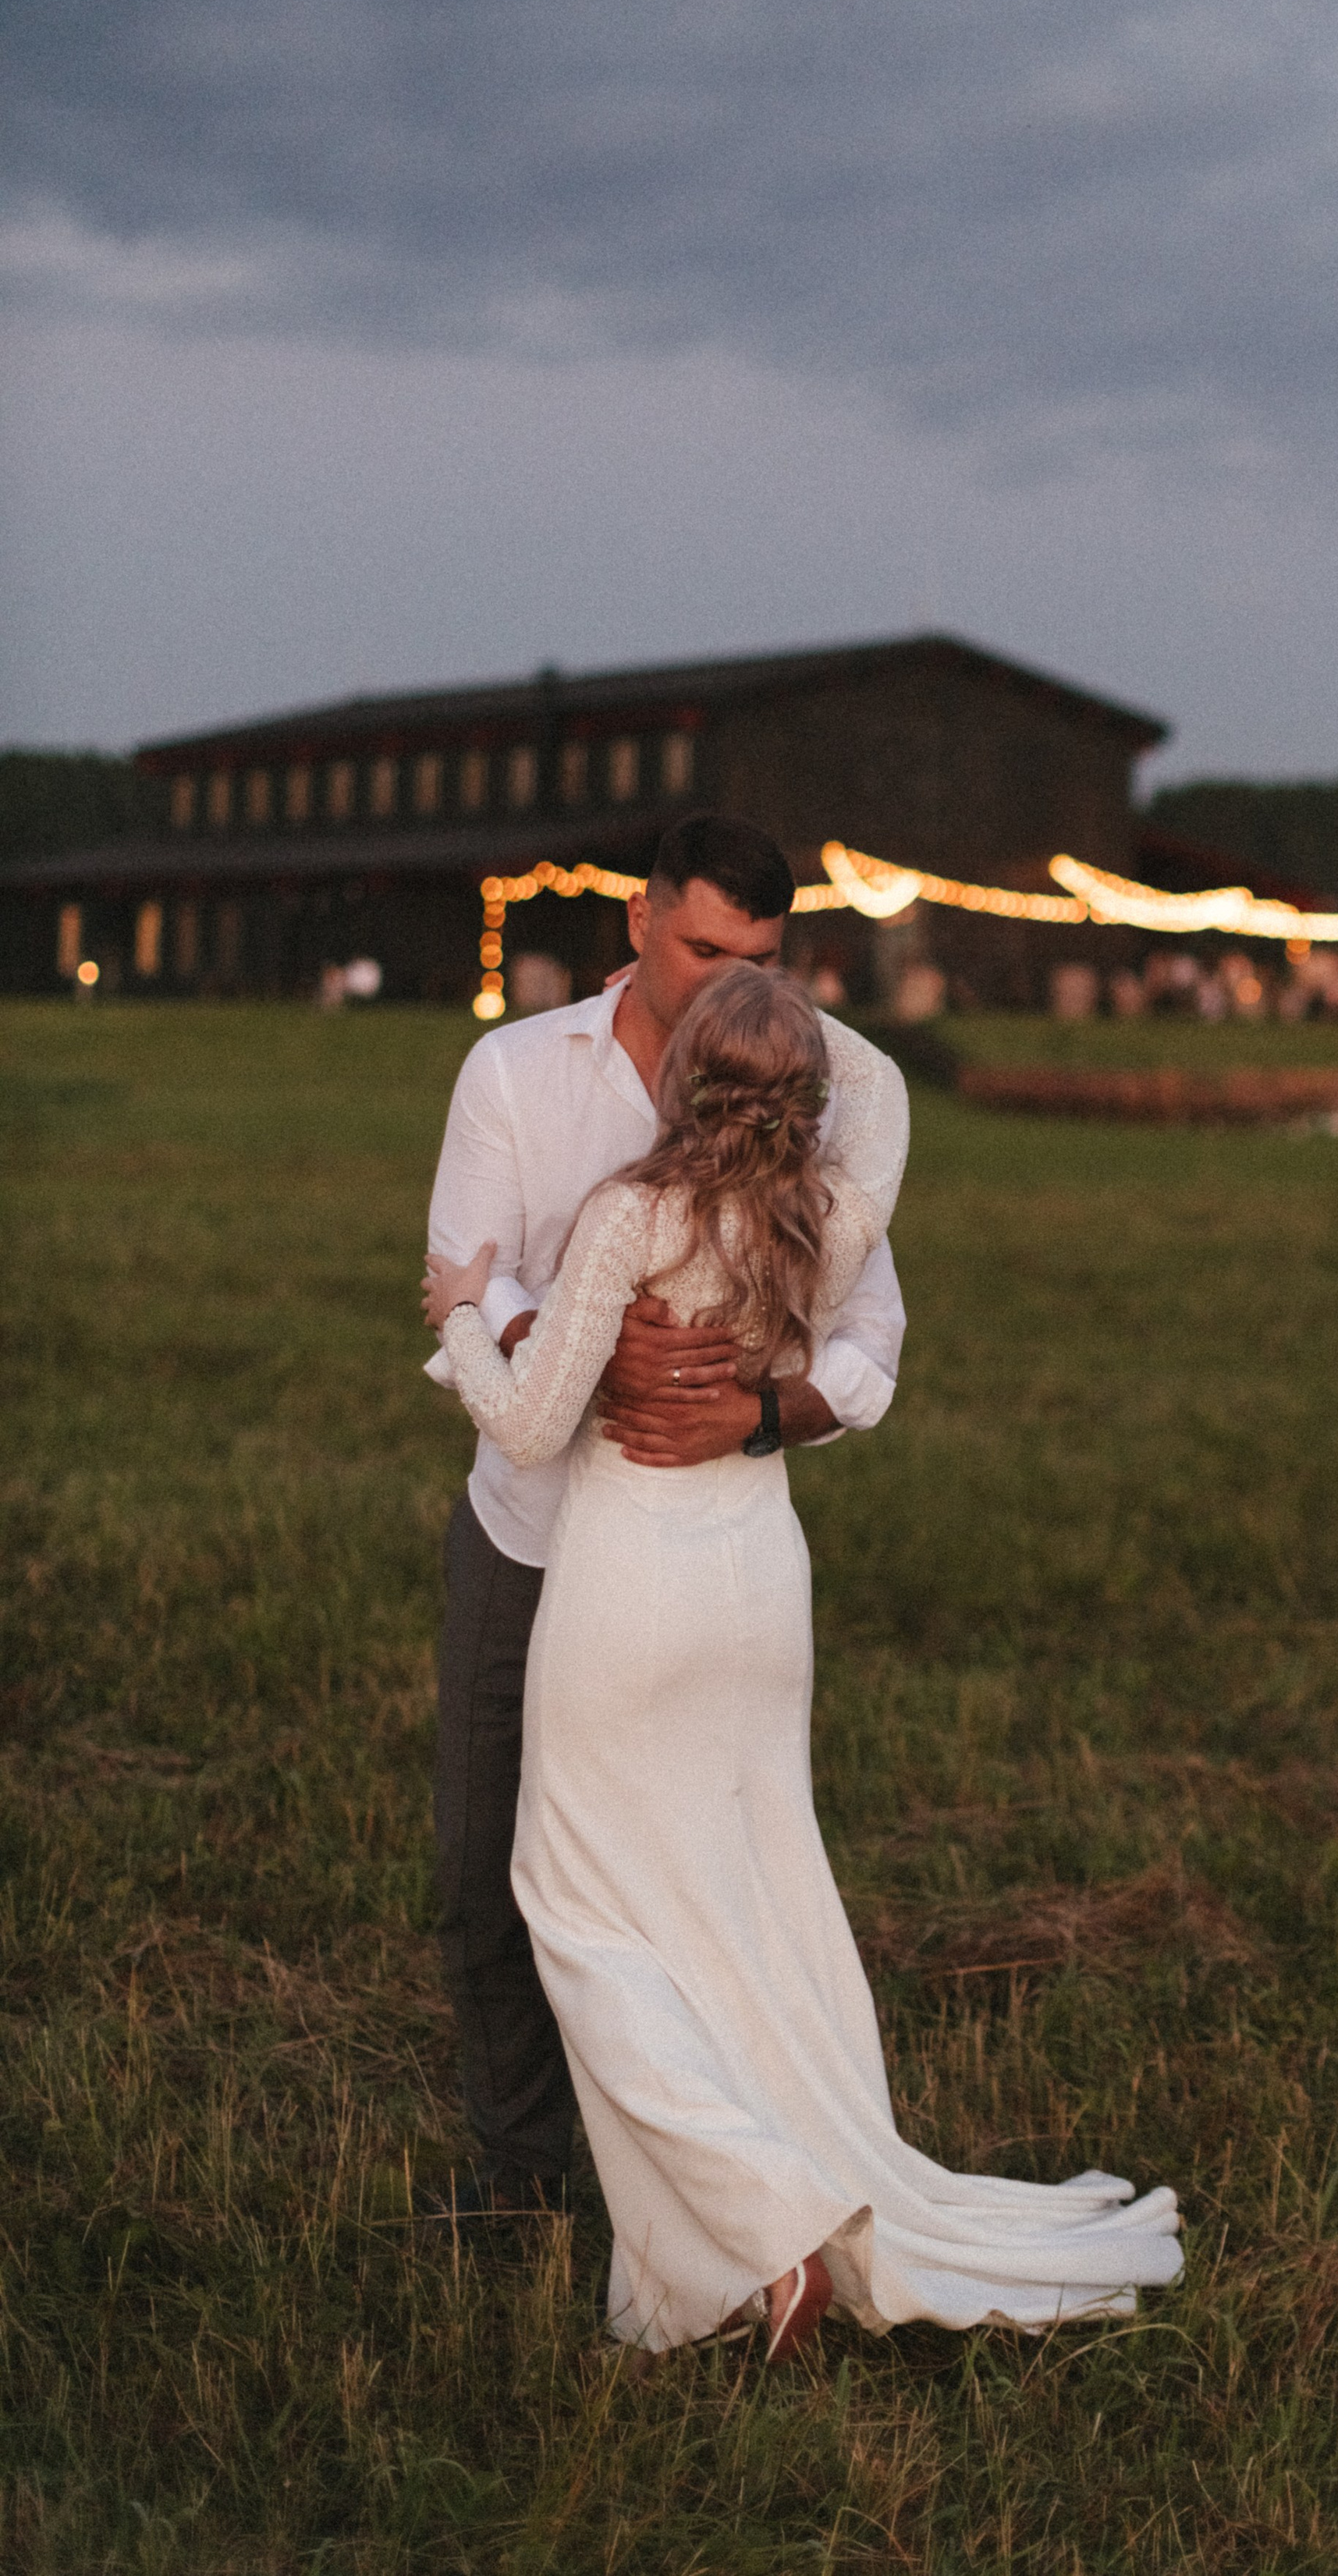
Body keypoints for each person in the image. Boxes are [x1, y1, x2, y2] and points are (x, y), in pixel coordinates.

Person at [424, 963, 1182, 2359]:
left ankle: (772, 2231)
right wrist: (781, 1027)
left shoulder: (630, 1217)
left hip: (634, 1590)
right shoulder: (827, 1218)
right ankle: (783, 2204)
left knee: (573, 1905)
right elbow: (881, 1099)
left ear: (679, 1078)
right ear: (803, 1098)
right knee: (754, 1896)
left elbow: (530, 1428)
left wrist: (464, 1318)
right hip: (759, 1585)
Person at [423, 812, 909, 2220]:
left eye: (757, 956)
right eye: (702, 947)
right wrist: (590, 1337)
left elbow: (870, 1336)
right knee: (481, 1875)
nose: (725, 984)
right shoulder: (515, 1070)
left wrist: (757, 1412)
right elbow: (472, 1250)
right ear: (640, 918)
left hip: (698, 1564)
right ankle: (530, 2187)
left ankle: (712, 2194)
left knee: (694, 1889)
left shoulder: (820, 1080)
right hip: (533, 1532)